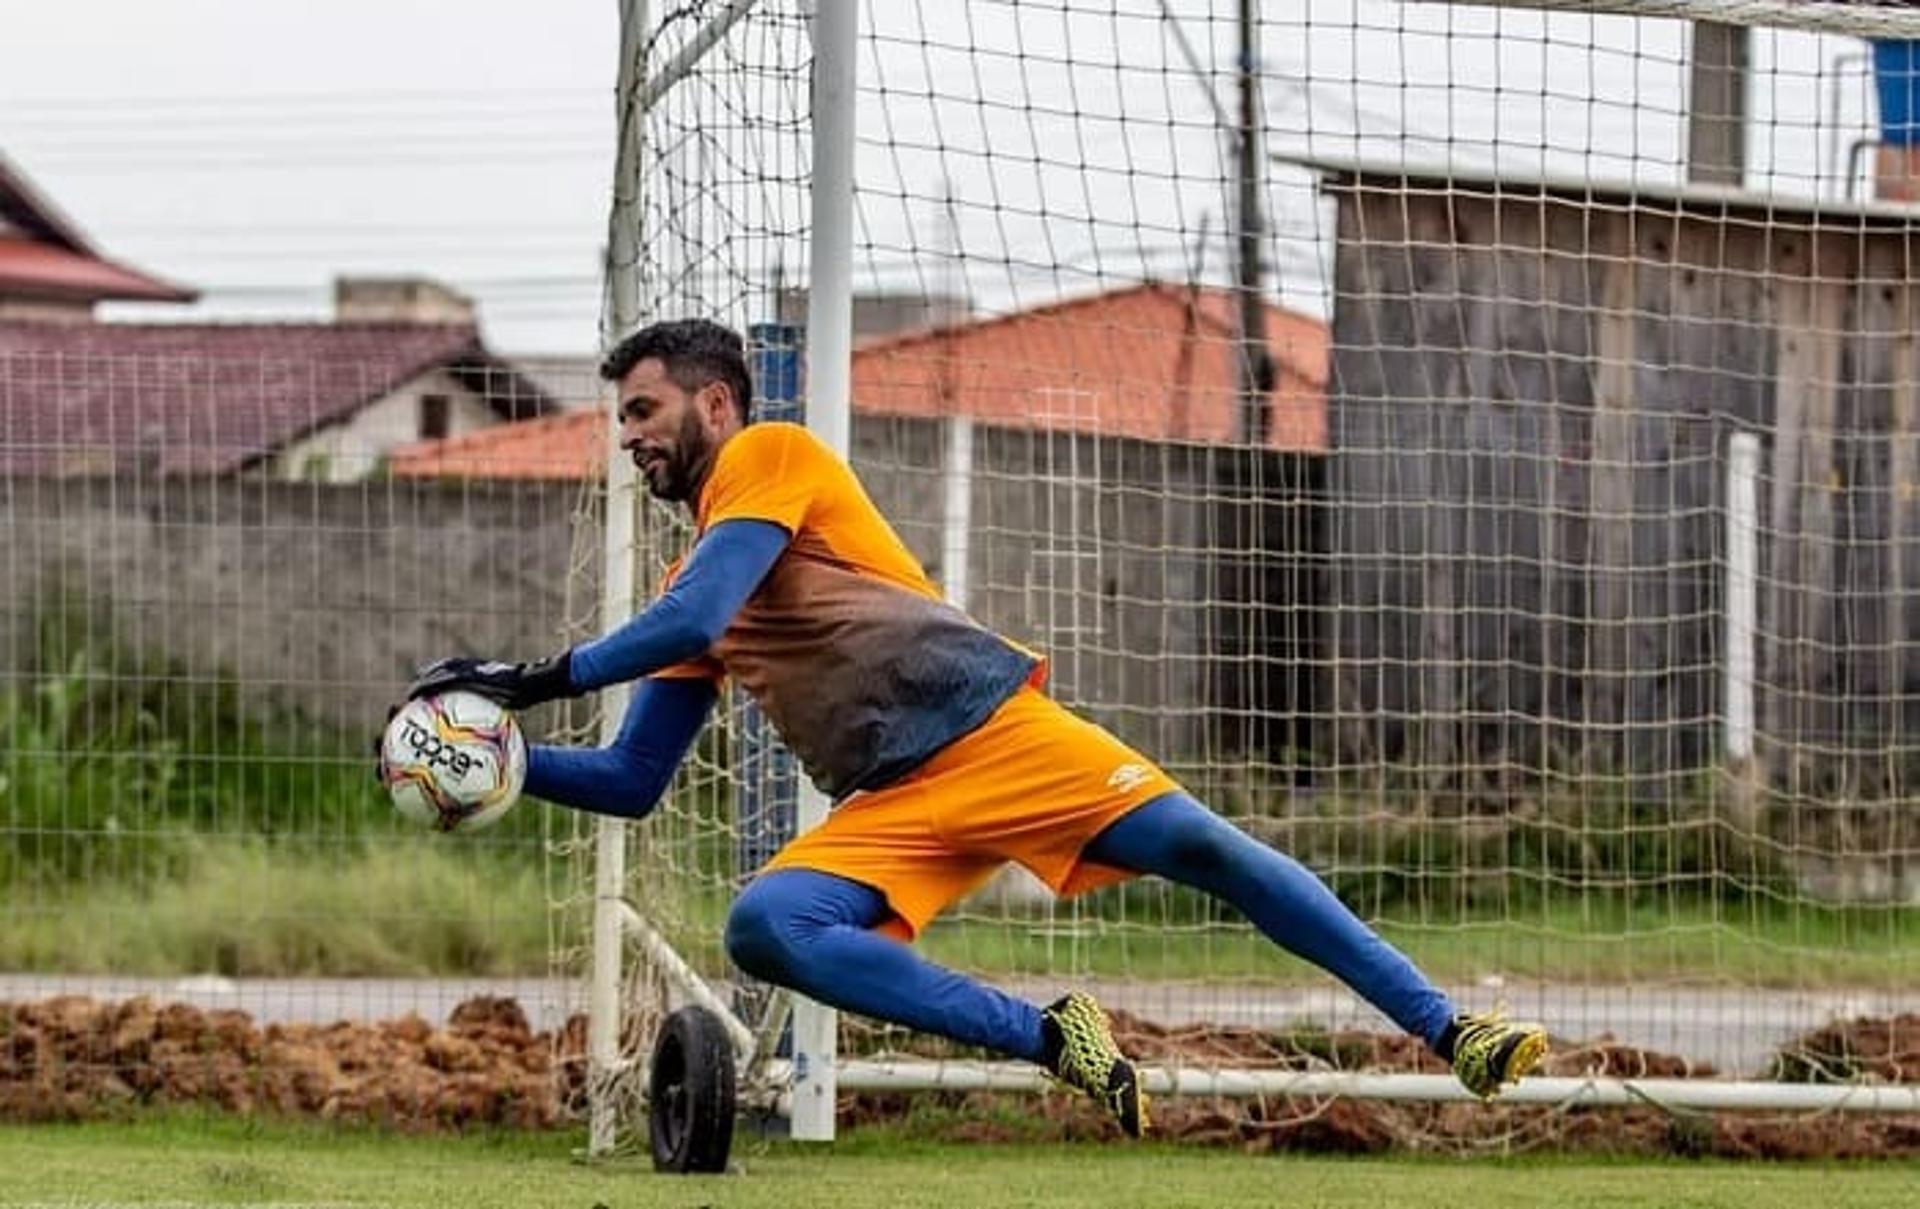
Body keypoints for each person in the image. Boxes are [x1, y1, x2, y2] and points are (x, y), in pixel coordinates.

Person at [406, 317, 1547, 1137]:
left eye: (643, 412)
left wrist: (526, 678)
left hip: (998, 734)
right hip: (893, 807)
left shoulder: (770, 456)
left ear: (715, 404)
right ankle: (1053, 1035)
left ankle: (1451, 1031)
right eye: (623, 420)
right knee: (769, 925)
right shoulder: (693, 570)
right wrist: (490, 761)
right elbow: (630, 778)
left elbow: (694, 612)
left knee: (1214, 854)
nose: (629, 438)